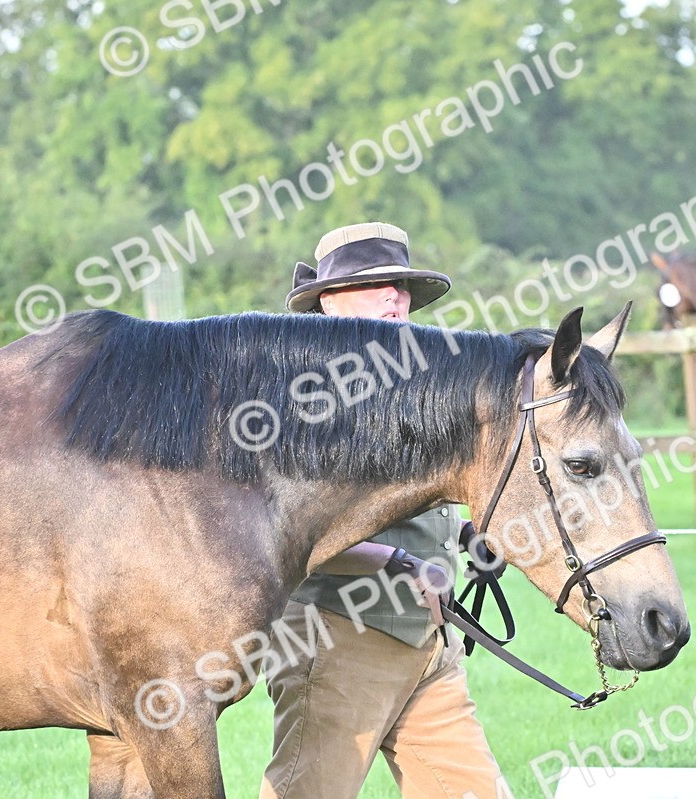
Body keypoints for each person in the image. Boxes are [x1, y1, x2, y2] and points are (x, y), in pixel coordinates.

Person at [260, 222, 507, 799]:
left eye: (399, 284)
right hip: (340, 637)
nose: (394, 296)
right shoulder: (304, 402)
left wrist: (468, 533)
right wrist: (397, 562)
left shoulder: (417, 382)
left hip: (429, 643)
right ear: (328, 300)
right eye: (376, 284)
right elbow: (290, 534)